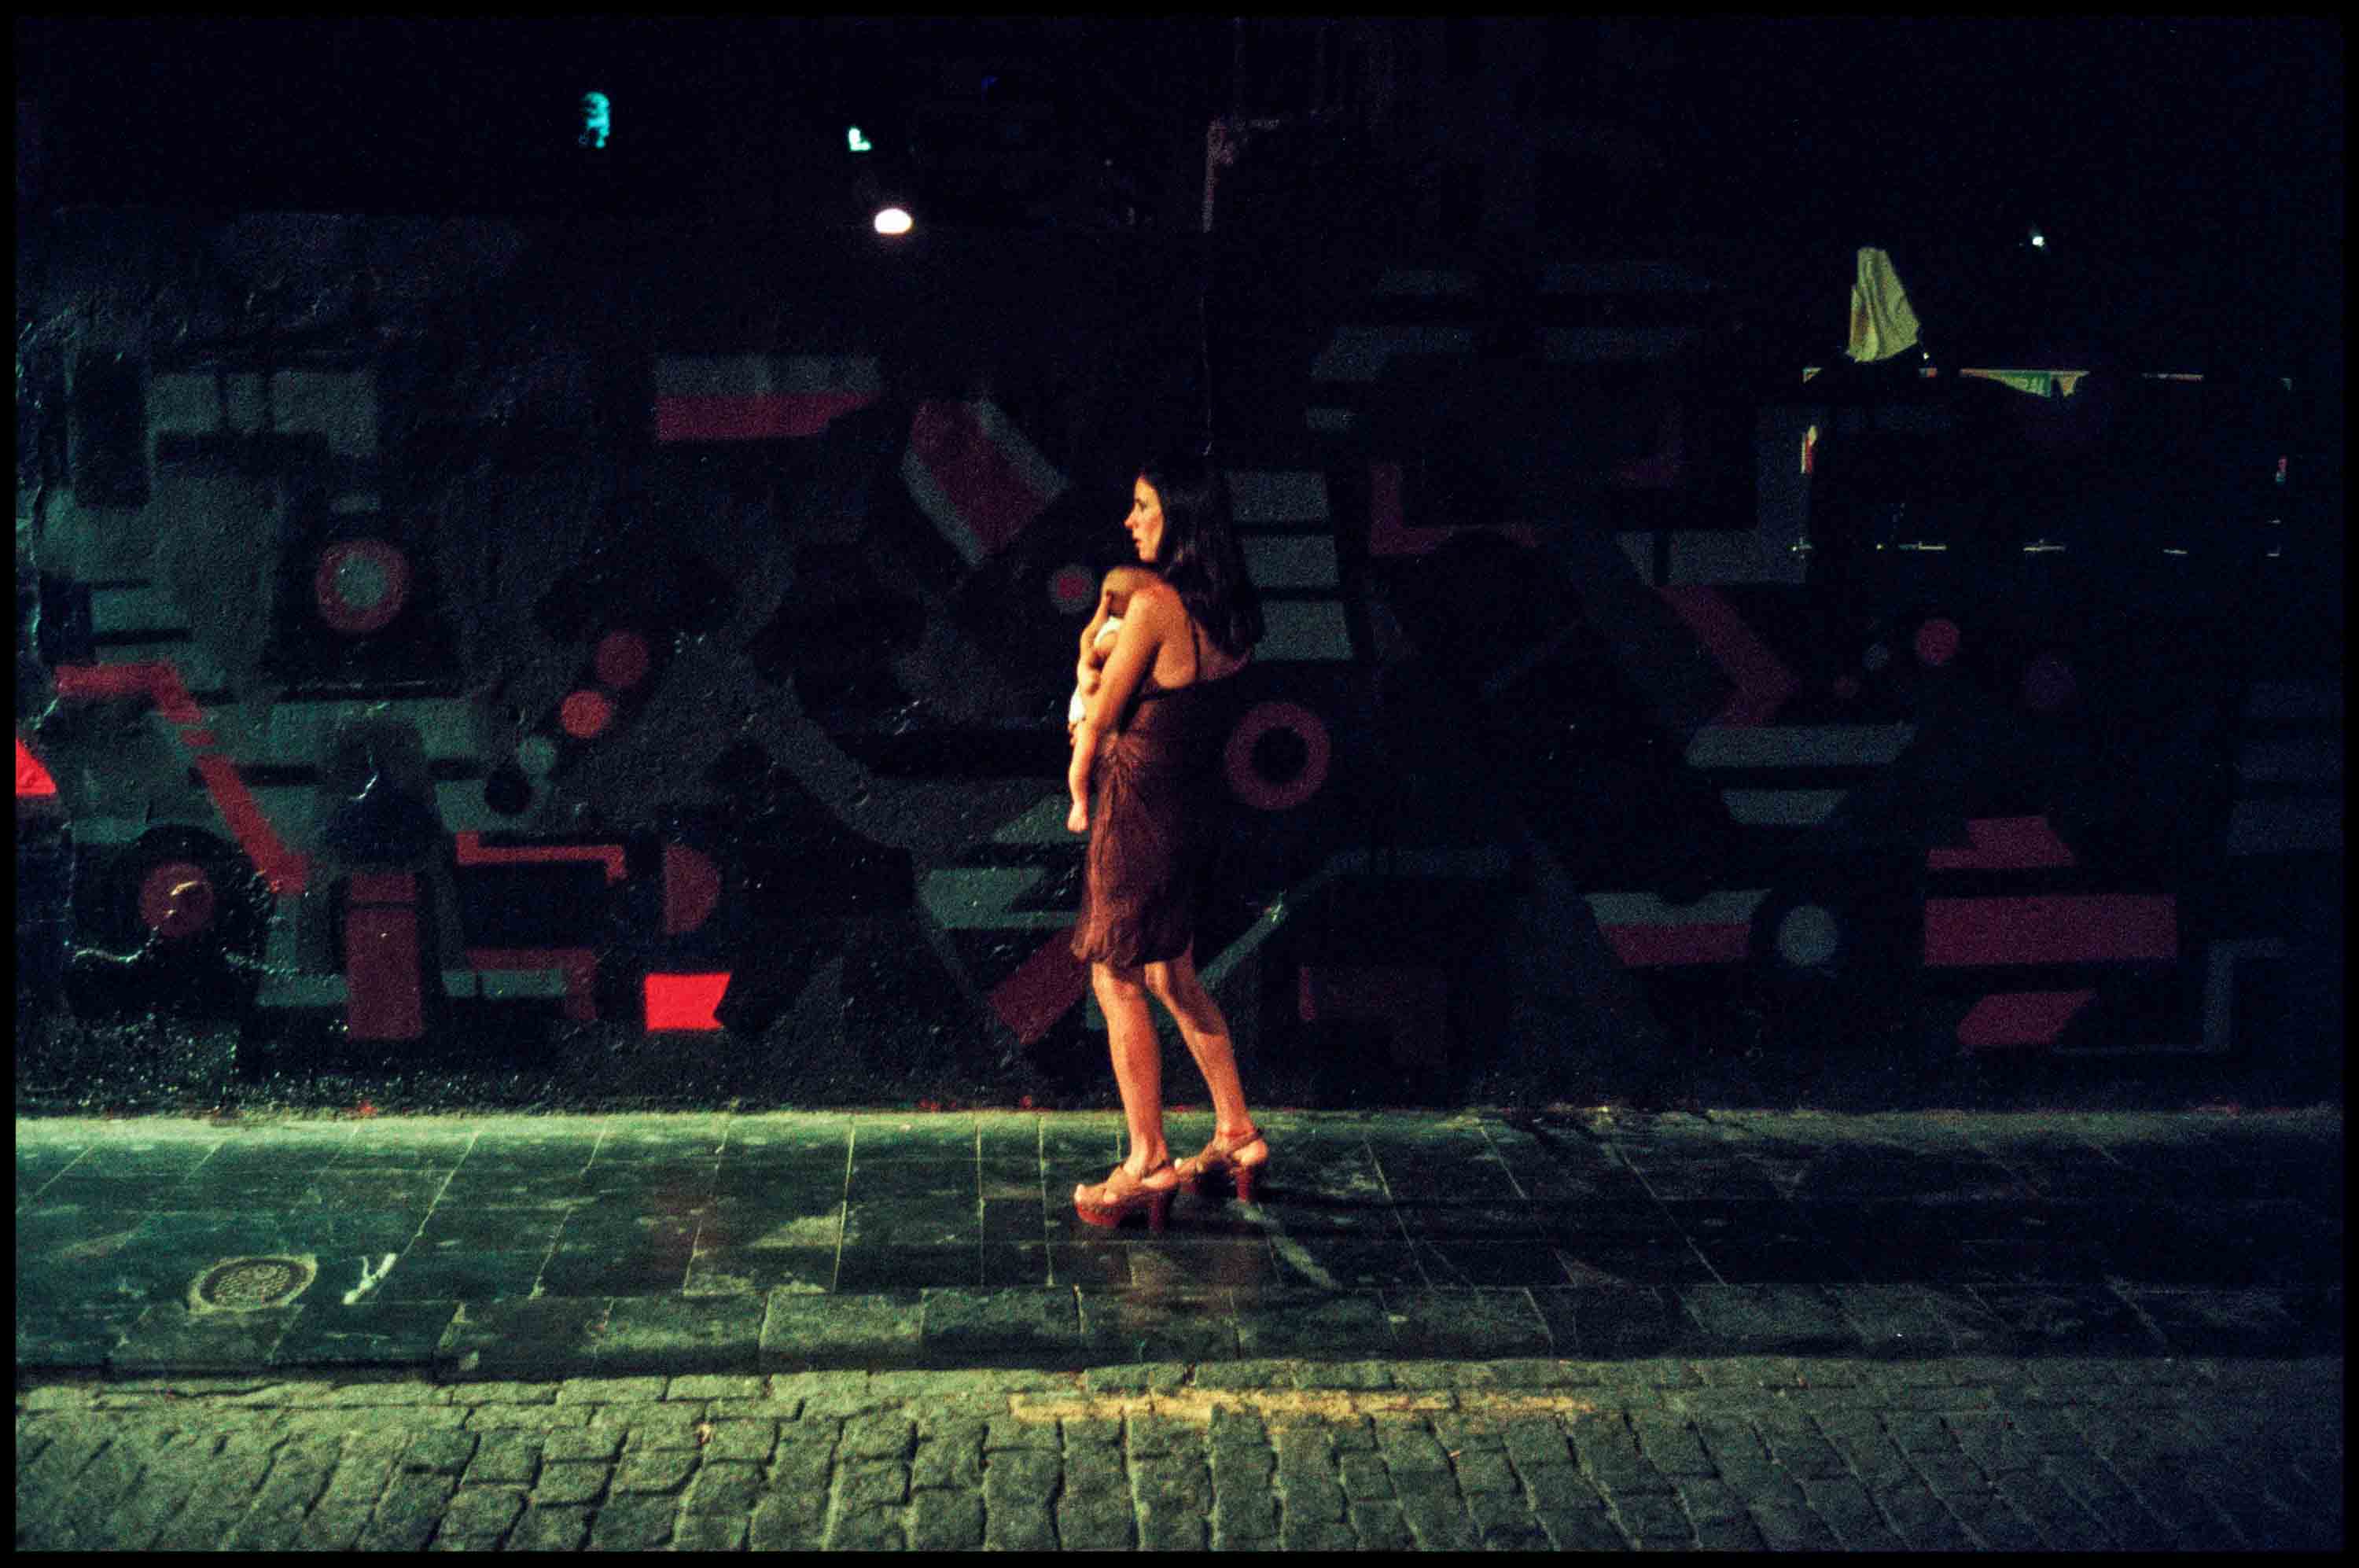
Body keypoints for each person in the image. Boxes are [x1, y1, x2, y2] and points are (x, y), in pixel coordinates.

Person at [1065, 453, 1267, 1230]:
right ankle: (1237, 1133)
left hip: (1138, 811)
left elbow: (1105, 710)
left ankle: (1147, 1160)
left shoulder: (1155, 605)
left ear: (1179, 516)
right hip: (1193, 813)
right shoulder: (1229, 615)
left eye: (1144, 506)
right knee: (1171, 975)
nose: (1130, 520)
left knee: (1115, 976)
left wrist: (1090, 656)